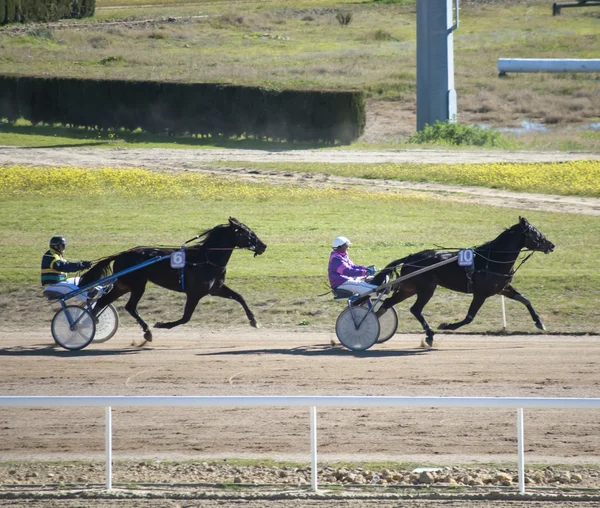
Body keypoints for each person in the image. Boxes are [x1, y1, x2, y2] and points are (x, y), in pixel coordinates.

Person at [41, 236, 93, 301]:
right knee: (70, 287)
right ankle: (89, 298)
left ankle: (99, 291)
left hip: (60, 283)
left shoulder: (58, 255)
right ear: (55, 246)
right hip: (52, 285)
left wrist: (82, 264)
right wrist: (80, 265)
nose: (63, 247)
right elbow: (64, 267)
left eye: (63, 245)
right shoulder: (51, 256)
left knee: (83, 279)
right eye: (61, 246)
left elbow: (69, 265)